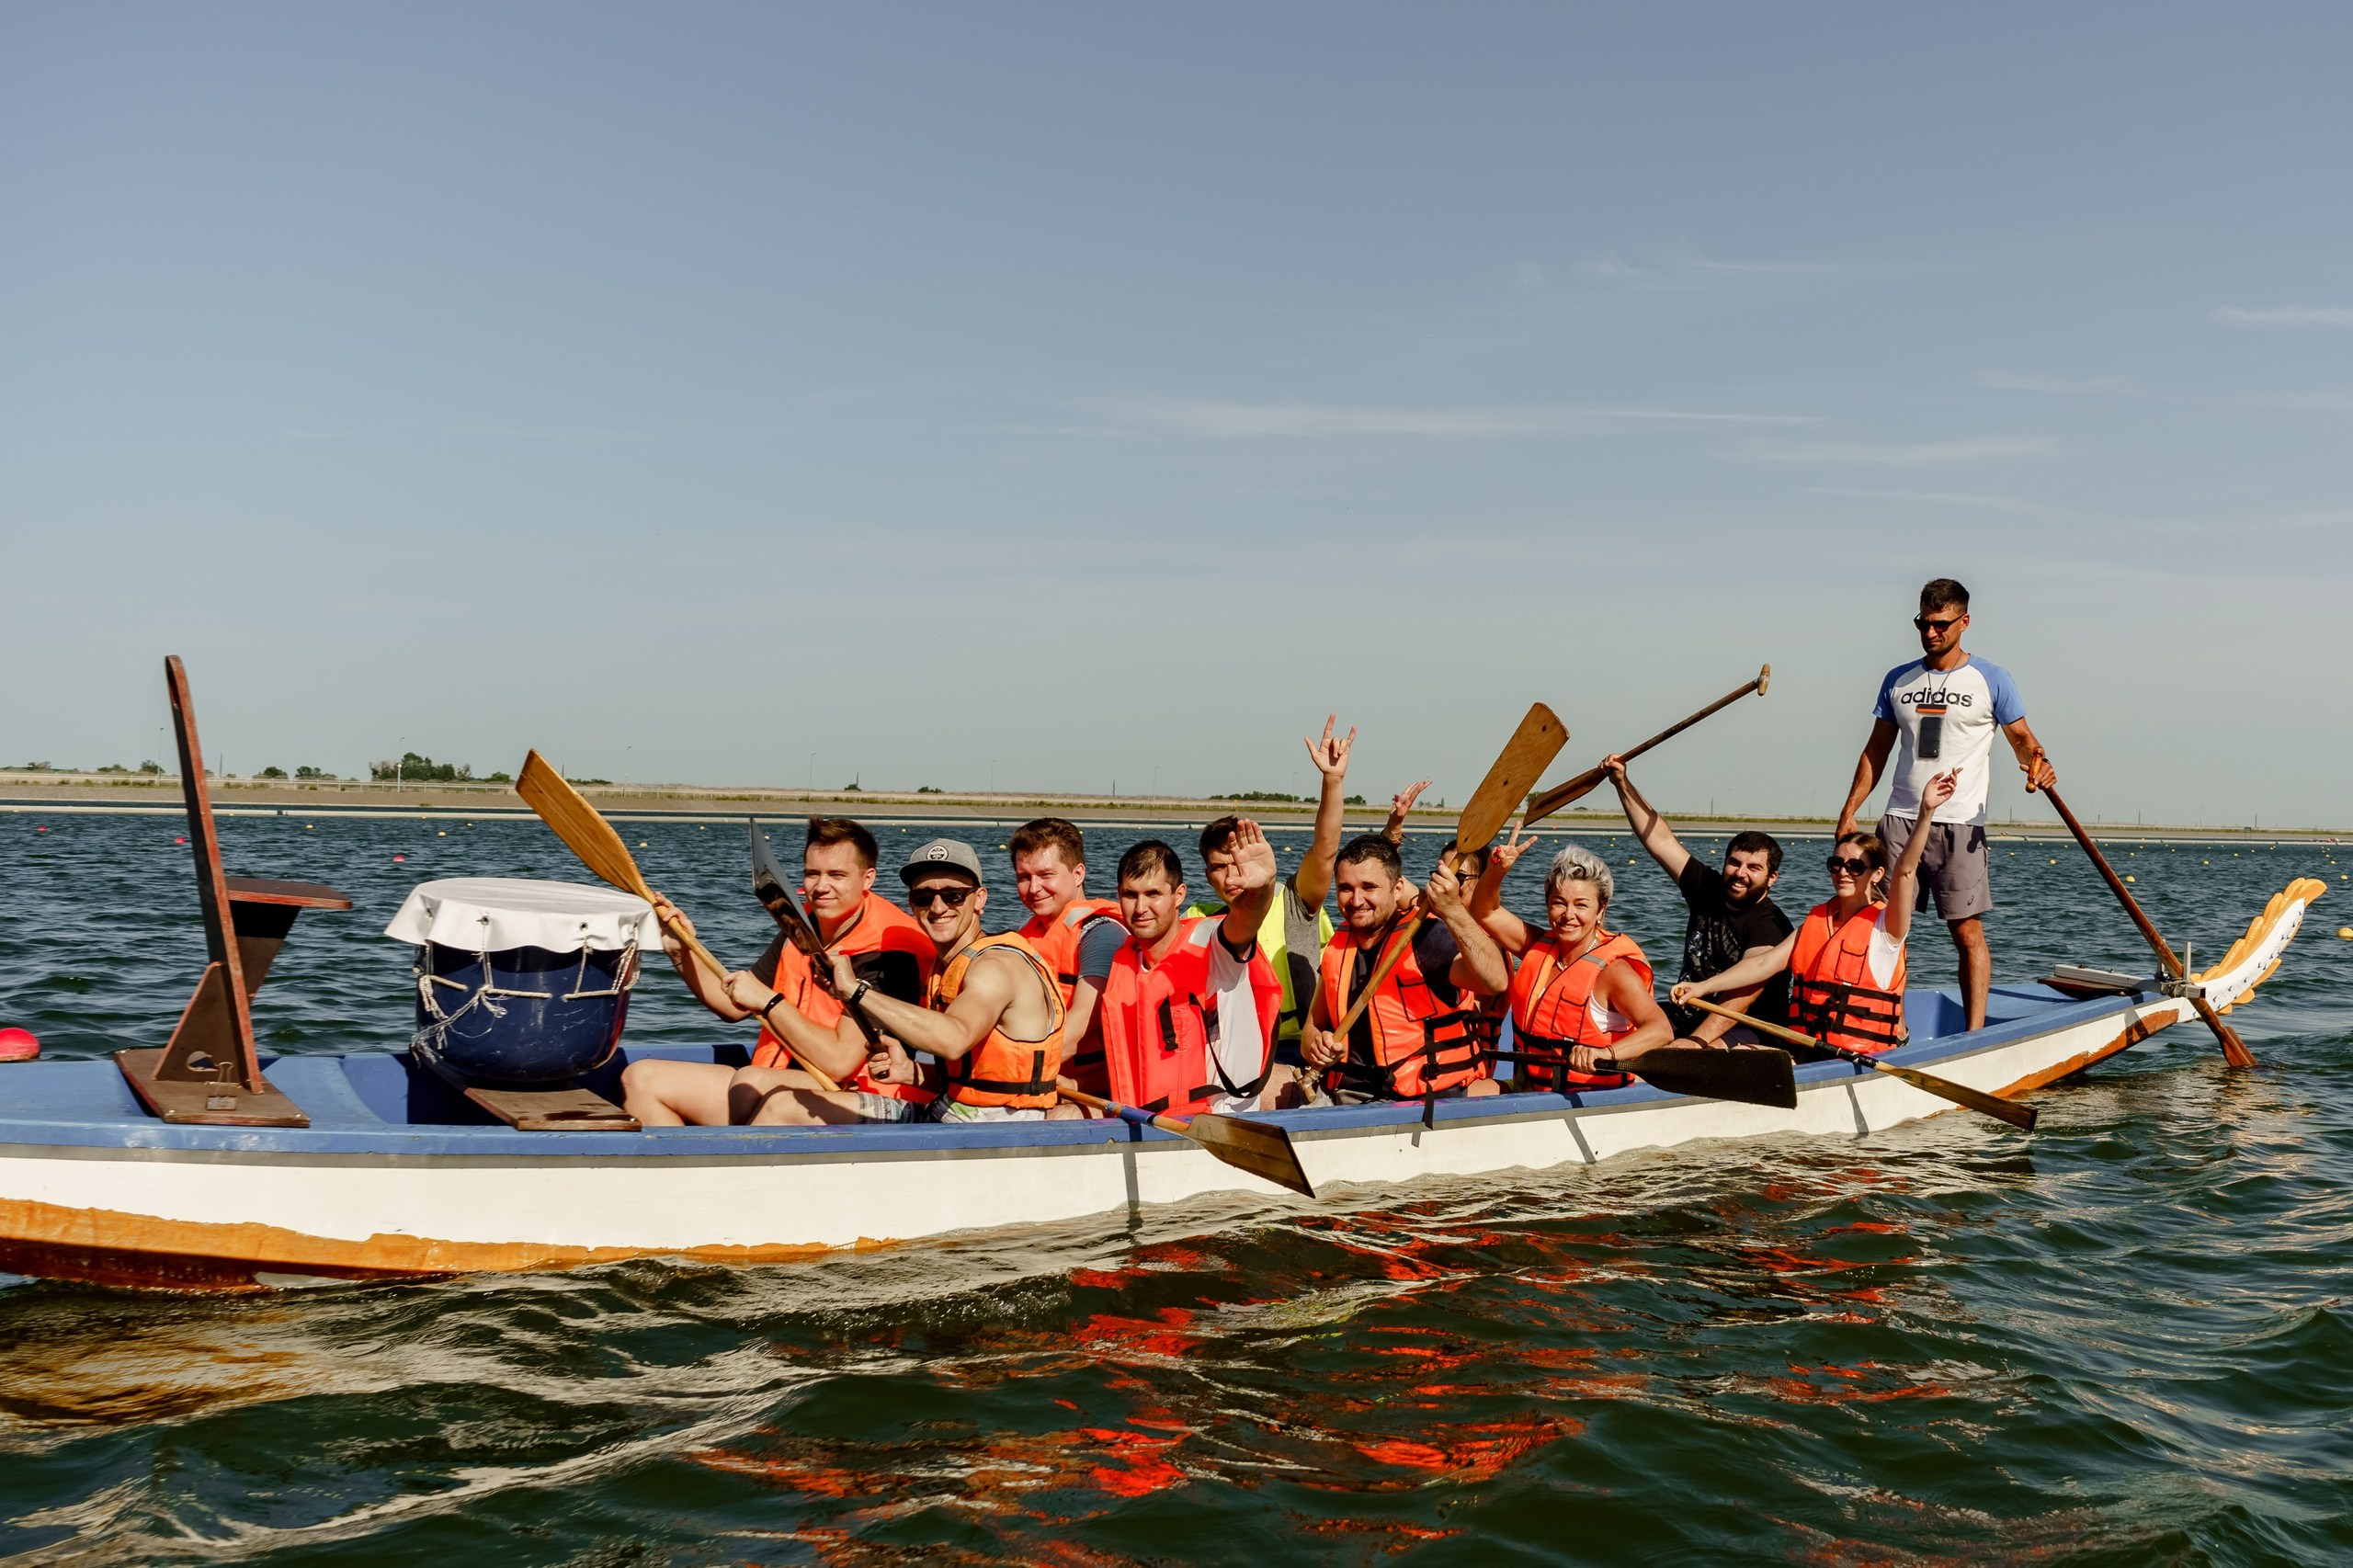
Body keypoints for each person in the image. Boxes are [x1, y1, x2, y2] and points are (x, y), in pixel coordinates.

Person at [1836, 579, 2055, 1031]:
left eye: (1940, 624)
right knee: (1883, 928)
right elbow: (1875, 750)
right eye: (1923, 623)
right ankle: (1880, 1027)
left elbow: (2023, 741)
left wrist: (2038, 765)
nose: (1930, 632)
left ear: (1964, 622)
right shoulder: (1898, 679)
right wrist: (1849, 811)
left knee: (1967, 933)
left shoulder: (1992, 679)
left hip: (1961, 825)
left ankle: (1974, 1037)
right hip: (1899, 820)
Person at [620, 816, 934, 1126]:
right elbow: (731, 1004)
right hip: (793, 1080)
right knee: (641, 1078)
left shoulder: (890, 950)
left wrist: (769, 1003)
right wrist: (681, 951)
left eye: (836, 875)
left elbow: (839, 1062)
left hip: (861, 1096)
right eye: (812, 874)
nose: (821, 886)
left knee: (759, 1086)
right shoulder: (802, 924)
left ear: (867, 879)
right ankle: (685, 1172)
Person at [1678, 769, 1959, 1053]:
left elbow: (1906, 872)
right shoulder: (1816, 922)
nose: (1843, 873)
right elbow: (1762, 965)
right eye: (1836, 864)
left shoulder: (1888, 928)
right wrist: (1702, 987)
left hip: (1859, 1055)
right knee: (1721, 1053)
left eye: (1855, 867)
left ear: (1876, 875)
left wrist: (1926, 812)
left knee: (1739, 1059)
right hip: (1806, 1048)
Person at [799, 838, 1068, 1122]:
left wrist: (855, 991)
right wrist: (911, 1072)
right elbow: (971, 1077)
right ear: (911, 904)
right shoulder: (947, 965)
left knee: (785, 1110)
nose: (938, 907)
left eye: (953, 895)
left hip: (994, 1131)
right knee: (782, 1105)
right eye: (923, 897)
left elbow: (953, 1039)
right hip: (947, 1115)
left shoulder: (996, 966)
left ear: (979, 900)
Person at [1184, 715, 1355, 1058]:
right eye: (1220, 867)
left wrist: (1332, 781)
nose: (1232, 876)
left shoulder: (1293, 899)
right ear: (1206, 876)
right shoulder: (1195, 919)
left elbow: (1325, 851)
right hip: (1227, 1048)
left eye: (1239, 863)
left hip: (1295, 1045)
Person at [1302, 835, 1511, 1103]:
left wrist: (1454, 910)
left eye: (1369, 887)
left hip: (1419, 1099)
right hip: (1346, 1093)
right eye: (1345, 888)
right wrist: (1315, 1045)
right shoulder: (1337, 946)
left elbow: (1495, 982)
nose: (1356, 900)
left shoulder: (1427, 938)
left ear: (1398, 889)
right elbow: (1312, 1027)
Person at [1097, 829, 1288, 1115]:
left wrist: (1262, 888)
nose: (1140, 908)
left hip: (1221, 1121)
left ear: (1178, 895)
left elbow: (1246, 921)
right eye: (1130, 895)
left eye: (1153, 894)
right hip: (1147, 1121)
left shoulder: (1213, 944)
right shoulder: (1125, 961)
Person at [1605, 755, 1792, 1040]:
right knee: (1612, 1028)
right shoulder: (1707, 887)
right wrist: (1621, 783)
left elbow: (1751, 978)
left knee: (1695, 1052)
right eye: (1735, 862)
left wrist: (1695, 1043)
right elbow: (1660, 841)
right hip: (1686, 1013)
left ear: (1771, 878)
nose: (1740, 873)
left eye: (1754, 868)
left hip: (1745, 1026)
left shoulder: (1770, 924)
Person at [1472, 835, 1673, 1091]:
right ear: (1547, 905)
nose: (1569, 915)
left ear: (1601, 910)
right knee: (1466, 1092)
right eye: (1559, 903)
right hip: (1530, 1091)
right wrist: (1496, 871)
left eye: (1581, 905)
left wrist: (1606, 1053)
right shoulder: (1537, 945)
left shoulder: (1614, 972)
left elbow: (1661, 1029)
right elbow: (1485, 911)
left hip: (1588, 1099)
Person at [1008, 817, 1126, 1096]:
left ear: (1078, 874)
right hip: (1038, 1077)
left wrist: (1002, 1069)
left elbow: (1076, 1032)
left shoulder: (1101, 934)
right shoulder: (1024, 939)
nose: (1034, 888)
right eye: (1024, 877)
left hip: (1092, 1086)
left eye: (1046, 875)